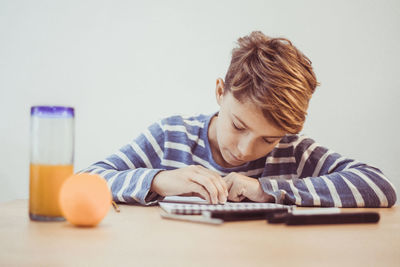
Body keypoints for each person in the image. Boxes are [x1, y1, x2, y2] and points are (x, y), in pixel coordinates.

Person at [81, 31, 397, 207]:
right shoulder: (169, 136)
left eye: (268, 138)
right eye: (238, 125)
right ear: (221, 91)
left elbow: (380, 186)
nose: (246, 150)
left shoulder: (294, 151)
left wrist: (266, 190)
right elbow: (83, 181)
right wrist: (159, 181)